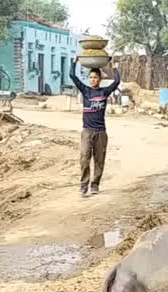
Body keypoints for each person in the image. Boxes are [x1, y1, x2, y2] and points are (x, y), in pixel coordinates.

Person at [69, 59, 121, 196]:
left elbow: (116, 82)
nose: (93, 80)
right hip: (87, 131)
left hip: (101, 132)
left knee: (99, 159)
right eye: (91, 77)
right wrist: (75, 62)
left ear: (100, 79)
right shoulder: (85, 90)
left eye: (95, 77)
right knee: (84, 158)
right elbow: (73, 76)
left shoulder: (104, 92)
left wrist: (114, 67)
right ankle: (83, 184)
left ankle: (95, 184)